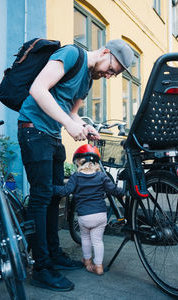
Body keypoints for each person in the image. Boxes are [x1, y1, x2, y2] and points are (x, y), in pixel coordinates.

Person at [17, 39, 134, 291]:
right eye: (112, 69)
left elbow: (71, 112)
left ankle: (54, 254)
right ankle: (41, 267)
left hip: (52, 136)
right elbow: (38, 89)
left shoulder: (88, 80)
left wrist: (81, 124)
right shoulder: (71, 54)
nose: (109, 76)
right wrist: (69, 125)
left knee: (54, 197)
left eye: (114, 75)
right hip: (33, 130)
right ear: (105, 52)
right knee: (41, 197)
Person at [53, 144, 124, 276]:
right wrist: (123, 192)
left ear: (79, 162)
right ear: (96, 162)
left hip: (84, 216)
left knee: (85, 238)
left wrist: (52, 188)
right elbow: (113, 190)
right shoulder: (102, 176)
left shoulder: (76, 177)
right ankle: (99, 266)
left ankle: (87, 261)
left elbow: (65, 191)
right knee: (97, 241)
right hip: (100, 215)